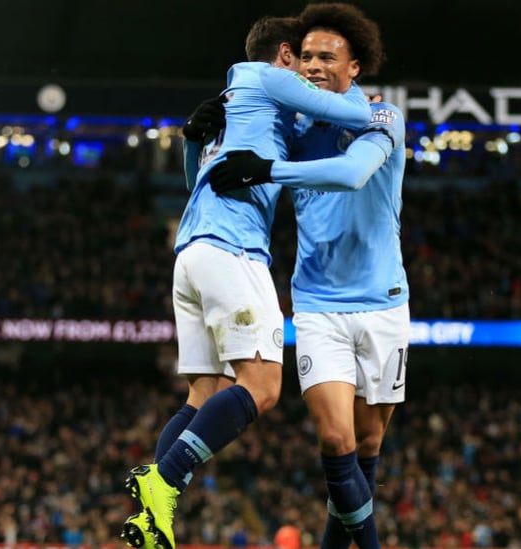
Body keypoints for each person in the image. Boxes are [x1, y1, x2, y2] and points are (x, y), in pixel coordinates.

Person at [121, 14, 374, 549]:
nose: (309, 71)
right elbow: (355, 109)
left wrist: (194, 141)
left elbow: (200, 181)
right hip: (233, 249)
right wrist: (345, 80)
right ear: (285, 54)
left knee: (204, 391)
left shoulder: (241, 105)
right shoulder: (265, 77)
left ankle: (150, 517)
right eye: (303, 60)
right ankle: (162, 482)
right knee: (261, 386)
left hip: (192, 252)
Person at [209, 5, 406, 549]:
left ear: (355, 67)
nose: (314, 65)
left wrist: (269, 169)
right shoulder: (292, 129)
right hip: (317, 304)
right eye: (308, 55)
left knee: (367, 445)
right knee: (335, 438)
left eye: (328, 56)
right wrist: (203, 133)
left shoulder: (383, 117)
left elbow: (350, 173)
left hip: (384, 303)